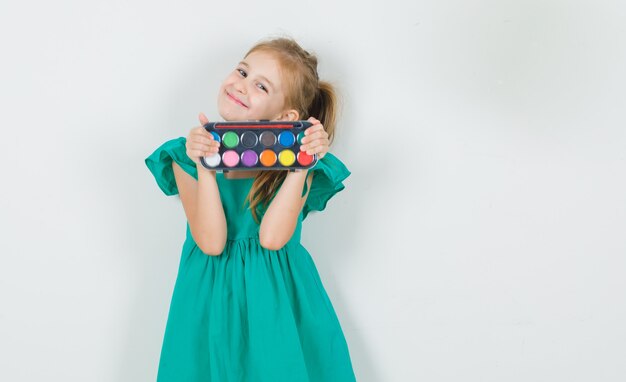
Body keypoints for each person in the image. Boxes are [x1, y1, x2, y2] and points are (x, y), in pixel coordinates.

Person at [145, 36, 356, 381]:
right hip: (208, 301)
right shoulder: (184, 156)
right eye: (242, 72)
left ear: (286, 116)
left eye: (260, 85)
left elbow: (273, 239)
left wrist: (301, 165)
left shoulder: (299, 170)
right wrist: (203, 165)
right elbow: (212, 243)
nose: (241, 86)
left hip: (276, 304)